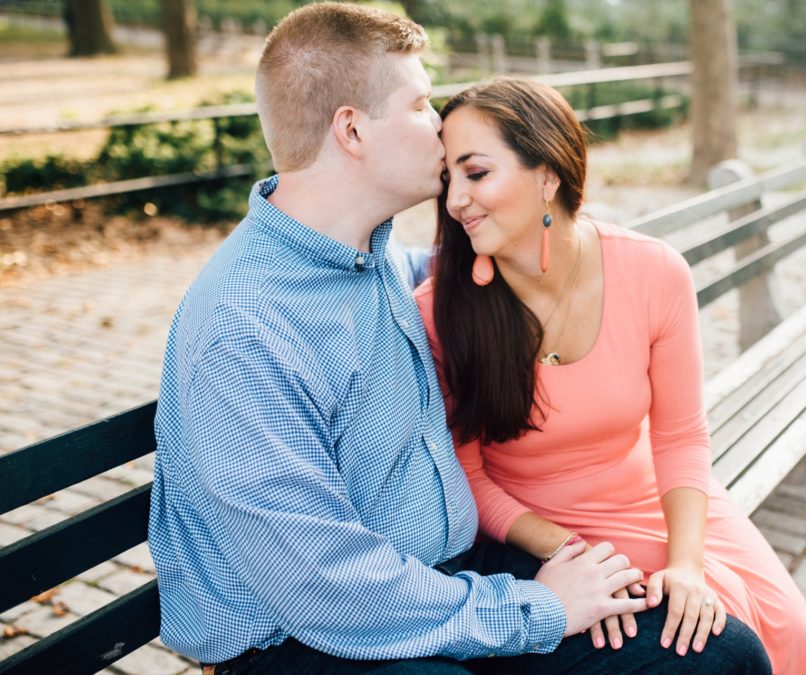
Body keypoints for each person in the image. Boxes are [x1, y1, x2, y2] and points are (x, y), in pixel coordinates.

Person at [148, 3, 770, 674]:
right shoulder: (243, 330)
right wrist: (534, 608)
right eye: (419, 105)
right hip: (303, 635)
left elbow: (505, 262)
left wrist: (563, 244)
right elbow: (320, 582)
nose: (439, 124)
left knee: (722, 654)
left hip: (442, 576)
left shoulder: (372, 256)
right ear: (352, 130)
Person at [415, 78, 806, 674]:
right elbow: (467, 478)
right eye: (447, 179)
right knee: (716, 639)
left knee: (781, 621)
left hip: (653, 495)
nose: (456, 201)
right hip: (539, 528)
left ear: (547, 173)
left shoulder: (654, 272)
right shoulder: (440, 312)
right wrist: (568, 553)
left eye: (476, 174)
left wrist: (685, 562)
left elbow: (681, 438)